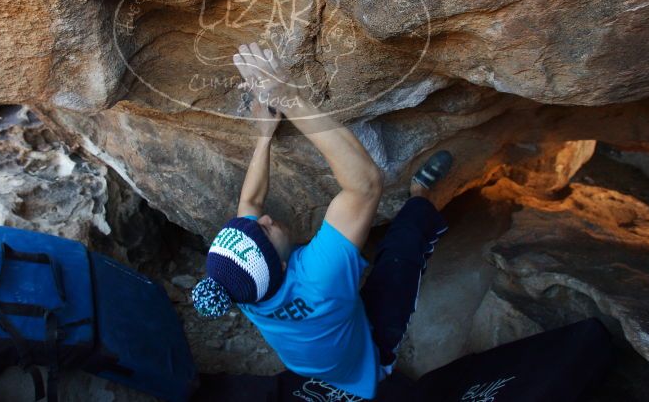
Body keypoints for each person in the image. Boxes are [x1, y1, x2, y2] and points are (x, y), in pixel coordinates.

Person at [192, 42, 453, 400]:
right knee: (401, 255)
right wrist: (288, 97)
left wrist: (264, 136)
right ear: (282, 265)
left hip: (316, 350)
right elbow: (365, 186)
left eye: (254, 226)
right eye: (266, 229)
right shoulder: (318, 278)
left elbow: (249, 202)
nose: (265, 219)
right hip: (365, 355)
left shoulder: (243, 285)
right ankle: (421, 195)